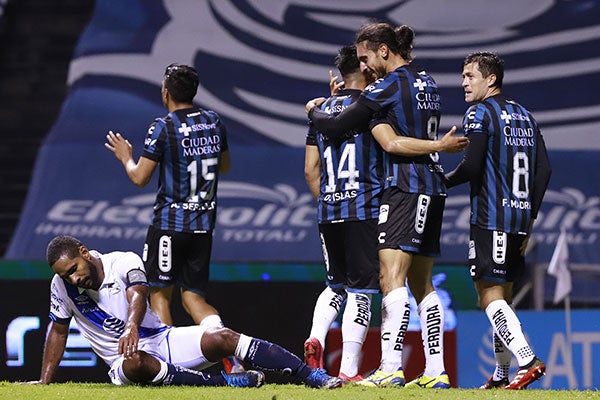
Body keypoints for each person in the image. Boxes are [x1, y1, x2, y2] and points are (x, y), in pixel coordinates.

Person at [306, 22, 468, 388]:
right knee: (422, 283)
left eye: (366, 59)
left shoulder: (387, 85)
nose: (364, 68)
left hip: (405, 187)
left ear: (383, 50)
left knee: (389, 278)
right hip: (433, 187)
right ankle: (435, 371)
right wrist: (437, 149)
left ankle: (391, 367)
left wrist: (315, 109)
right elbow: (388, 126)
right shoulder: (425, 81)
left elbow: (364, 135)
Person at [26, 235, 343, 389]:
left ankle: (312, 376)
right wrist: (44, 381)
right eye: (66, 274)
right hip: (126, 361)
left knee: (223, 337)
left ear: (84, 253)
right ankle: (223, 384)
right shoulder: (61, 286)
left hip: (162, 339)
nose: (73, 278)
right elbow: (58, 329)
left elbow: (139, 291)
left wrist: (131, 326)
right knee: (135, 362)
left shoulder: (122, 261)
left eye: (74, 269)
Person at [105, 63, 242, 373]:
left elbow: (140, 177)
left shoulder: (163, 126)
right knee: (194, 298)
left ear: (165, 92)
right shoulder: (214, 122)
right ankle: (228, 355)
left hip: (169, 226)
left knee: (159, 295)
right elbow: (225, 167)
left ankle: (171, 366)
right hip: (203, 226)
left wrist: (126, 156)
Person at [445, 52, 551, 390]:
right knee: (499, 295)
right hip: (520, 218)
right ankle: (502, 373)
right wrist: (530, 215)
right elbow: (544, 171)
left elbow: (472, 167)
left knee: (489, 296)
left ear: (490, 79)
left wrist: (439, 181)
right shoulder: (526, 115)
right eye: (463, 76)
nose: (463, 82)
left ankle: (527, 360)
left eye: (470, 75)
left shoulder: (479, 113)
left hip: (492, 216)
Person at [303, 44, 382, 382]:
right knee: (362, 290)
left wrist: (329, 200)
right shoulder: (371, 108)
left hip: (329, 209)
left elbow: (310, 170)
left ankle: (316, 338)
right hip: (363, 208)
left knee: (334, 284)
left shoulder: (322, 110)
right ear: (364, 69)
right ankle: (349, 368)